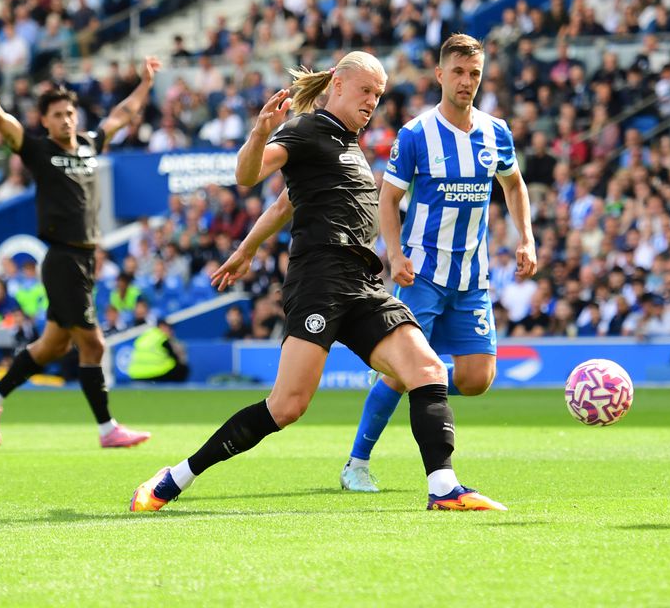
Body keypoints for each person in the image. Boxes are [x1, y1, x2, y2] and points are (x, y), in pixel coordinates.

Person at [131, 51, 505, 512]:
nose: (373, 102)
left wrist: (247, 249)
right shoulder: (305, 130)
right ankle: (174, 478)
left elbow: (286, 204)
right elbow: (247, 176)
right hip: (319, 281)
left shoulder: (349, 144)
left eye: (379, 95)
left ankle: (444, 487)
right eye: (366, 91)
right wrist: (258, 133)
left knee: (425, 370)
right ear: (338, 85)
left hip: (363, 282)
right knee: (285, 407)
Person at [338, 33, 535, 492]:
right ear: (441, 75)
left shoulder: (495, 132)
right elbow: (388, 200)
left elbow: (514, 185)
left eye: (475, 75)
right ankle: (356, 465)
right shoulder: (416, 134)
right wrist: (395, 254)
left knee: (477, 378)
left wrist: (525, 237)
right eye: (459, 73)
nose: (467, 82)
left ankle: (408, 374)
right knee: (403, 372)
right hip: (422, 273)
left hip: (472, 276)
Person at [0, 38, 156, 449]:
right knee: (92, 343)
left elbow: (122, 113)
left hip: (84, 259)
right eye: (58, 114)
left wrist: (146, 82)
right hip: (62, 258)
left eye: (70, 112)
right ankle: (106, 429)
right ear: (44, 121)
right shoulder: (38, 150)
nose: (66, 119)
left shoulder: (90, 145)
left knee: (52, 345)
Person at [127, 318, 189, 383]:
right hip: (155, 374)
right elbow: (175, 358)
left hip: (136, 374)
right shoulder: (162, 338)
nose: (171, 331)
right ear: (162, 327)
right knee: (182, 368)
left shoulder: (144, 336)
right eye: (169, 328)